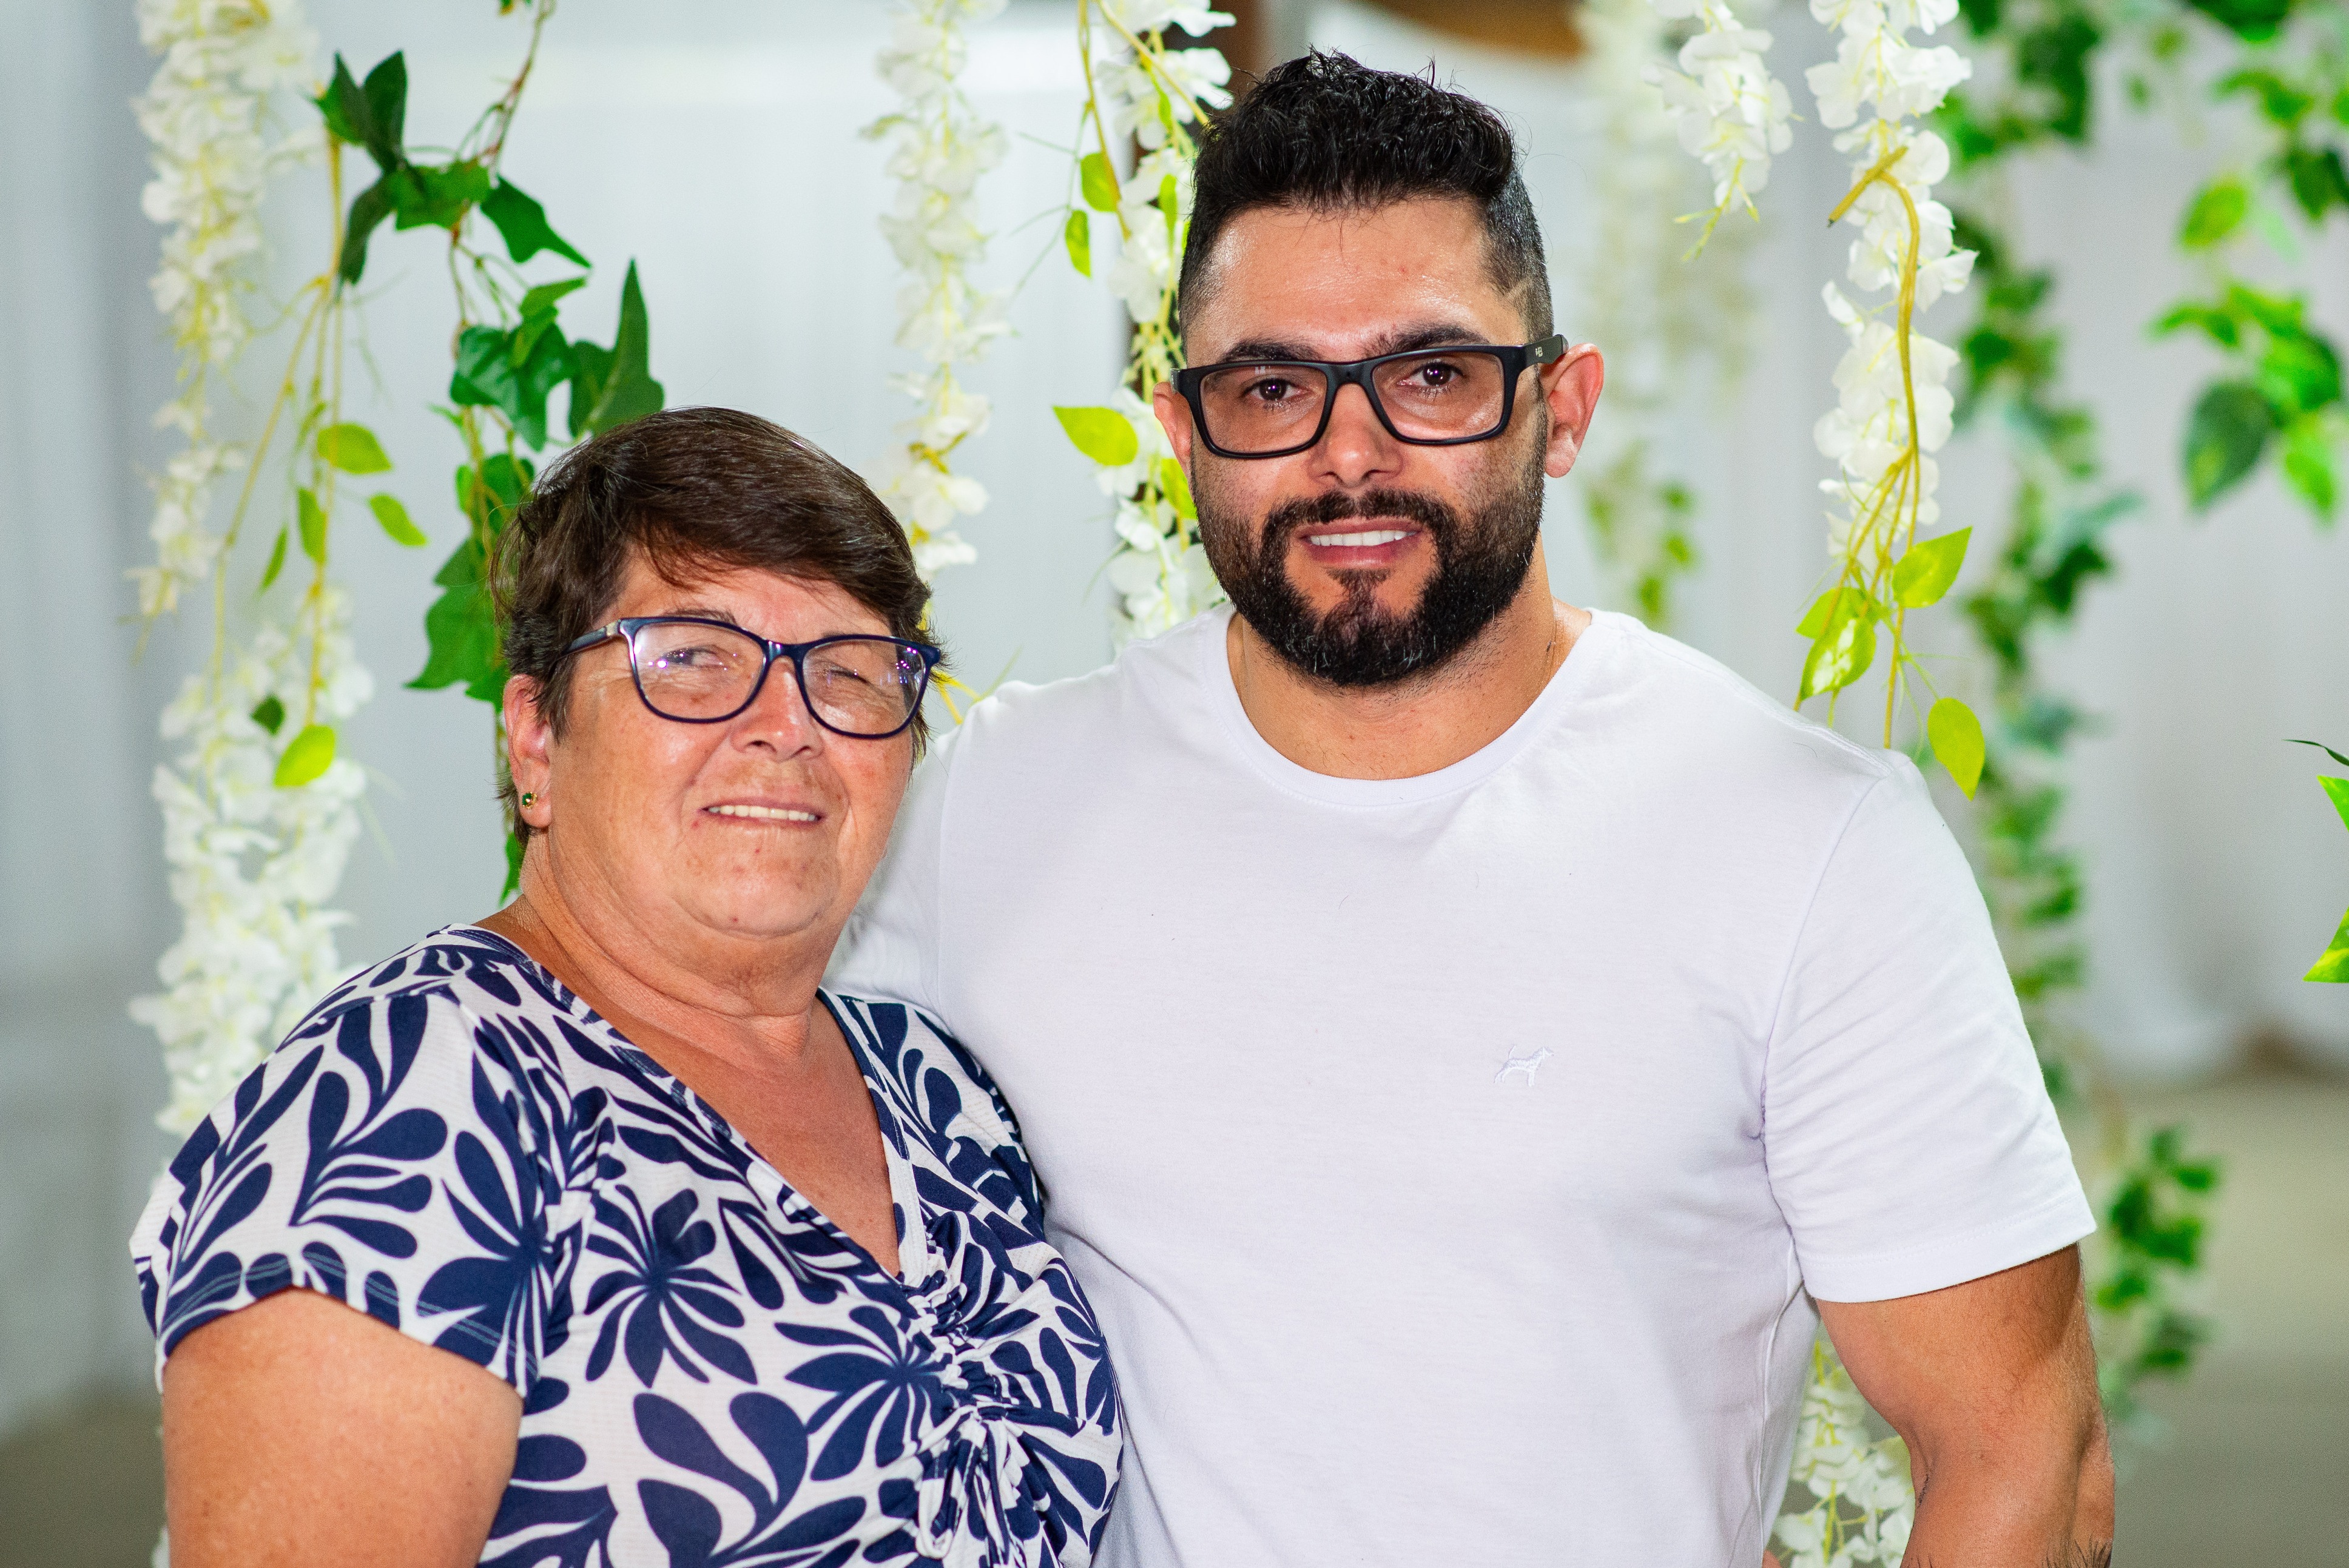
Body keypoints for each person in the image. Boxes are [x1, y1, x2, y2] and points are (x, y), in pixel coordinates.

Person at [832, 52, 2112, 1567]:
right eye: (1272, 389)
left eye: (1430, 375)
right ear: (1182, 435)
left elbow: (2021, 1453)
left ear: (1559, 409)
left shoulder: (1806, 843)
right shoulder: (992, 807)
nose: (1348, 454)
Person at [130, 409, 1121, 1568]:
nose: (785, 727)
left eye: (848, 674)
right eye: (692, 659)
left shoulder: (935, 1083)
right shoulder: (408, 1093)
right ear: (536, 739)